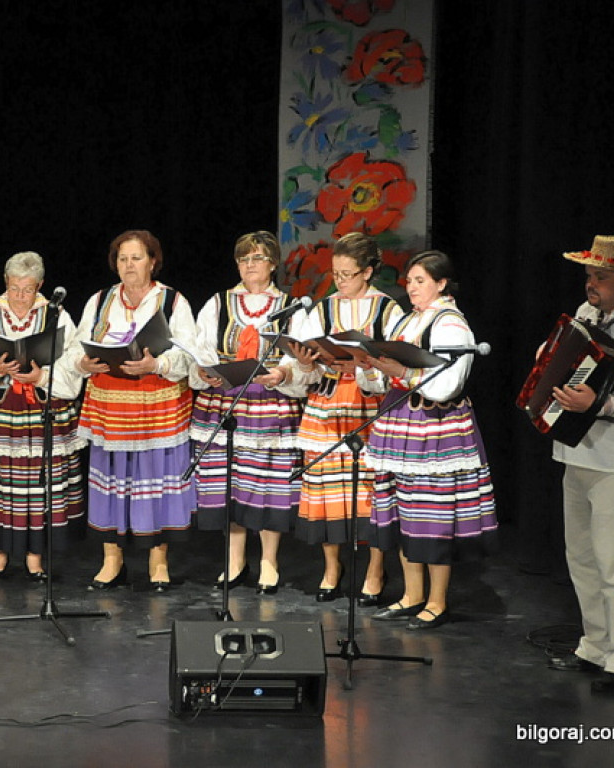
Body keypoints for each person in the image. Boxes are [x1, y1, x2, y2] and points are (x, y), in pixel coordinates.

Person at [360, 250, 498, 630]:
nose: (411, 287)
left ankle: (437, 601)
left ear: (441, 283)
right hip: (400, 424)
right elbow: (388, 379)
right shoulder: (408, 320)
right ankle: (411, 594)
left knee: (433, 515)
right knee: (405, 512)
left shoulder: (451, 324)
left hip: (434, 428)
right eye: (408, 280)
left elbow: (447, 385)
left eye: (420, 280)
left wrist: (400, 370)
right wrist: (370, 368)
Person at [69, 229, 196, 591]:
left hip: (157, 407)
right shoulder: (100, 300)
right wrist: (84, 363)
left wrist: (156, 365)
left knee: (152, 483)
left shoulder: (172, 302)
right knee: (111, 483)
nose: (128, 265)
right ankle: (112, 560)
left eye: (136, 257)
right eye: (122, 258)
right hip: (109, 408)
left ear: (152, 261)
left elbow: (188, 353)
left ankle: (158, 561)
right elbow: (78, 345)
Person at [190, 231, 311, 595]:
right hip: (225, 401)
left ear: (273, 263)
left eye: (257, 258)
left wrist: (284, 372)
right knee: (230, 480)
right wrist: (204, 370)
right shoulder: (219, 303)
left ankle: (269, 560)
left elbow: (302, 360)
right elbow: (201, 348)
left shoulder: (291, 307)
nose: (249, 265)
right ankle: (234, 558)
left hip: (270, 405)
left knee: (267, 484)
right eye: (243, 259)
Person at [0, 251, 85, 580]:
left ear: (40, 285)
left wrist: (41, 376)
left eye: (27, 289)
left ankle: (34, 557)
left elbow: (73, 361)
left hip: (40, 411)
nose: (20, 296)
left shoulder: (55, 316)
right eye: (14, 288)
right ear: (5, 283)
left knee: (37, 485)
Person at [290, 233, 403, 604]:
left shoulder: (388, 310)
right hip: (328, 404)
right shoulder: (320, 310)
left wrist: (367, 365)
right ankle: (332, 568)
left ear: (368, 272)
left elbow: (397, 367)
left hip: (370, 406)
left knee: (371, 489)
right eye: (336, 274)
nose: (340, 281)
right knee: (327, 487)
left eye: (348, 274)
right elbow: (302, 366)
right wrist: (305, 363)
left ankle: (374, 569)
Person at [545, 235, 614, 694]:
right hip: (577, 450)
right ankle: (595, 646)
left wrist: (601, 403)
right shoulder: (587, 314)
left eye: (601, 277)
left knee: (612, 564)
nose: (591, 284)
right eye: (589, 276)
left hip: (611, 460)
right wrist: (546, 363)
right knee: (582, 558)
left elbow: (599, 393)